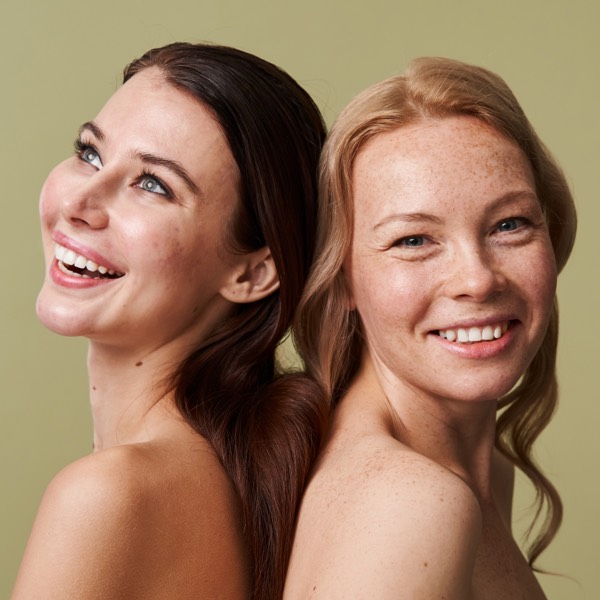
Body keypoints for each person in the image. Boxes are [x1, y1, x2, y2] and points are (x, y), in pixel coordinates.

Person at [12, 42, 326, 600]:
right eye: (89, 153)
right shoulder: (234, 479)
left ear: (254, 273)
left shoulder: (107, 495)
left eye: (153, 184)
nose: (81, 201)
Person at [284, 57, 576, 599]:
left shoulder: (481, 476)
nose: (478, 280)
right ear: (342, 278)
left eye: (510, 224)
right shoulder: (409, 503)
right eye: (413, 240)